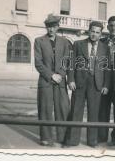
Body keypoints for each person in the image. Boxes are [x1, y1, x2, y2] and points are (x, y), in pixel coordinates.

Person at [64, 21, 110, 147]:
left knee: (94, 113)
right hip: (79, 82)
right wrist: (71, 80)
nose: (94, 34)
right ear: (89, 31)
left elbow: (107, 68)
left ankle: (92, 140)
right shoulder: (78, 44)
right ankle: (73, 140)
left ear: (101, 34)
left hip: (96, 83)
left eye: (97, 32)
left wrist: (106, 85)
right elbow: (71, 63)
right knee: (76, 111)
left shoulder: (105, 48)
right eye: (92, 31)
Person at [34, 13, 71, 147]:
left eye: (53, 26)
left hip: (60, 80)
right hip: (45, 81)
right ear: (46, 27)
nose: (51, 29)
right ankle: (46, 137)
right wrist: (51, 75)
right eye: (48, 26)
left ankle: (62, 137)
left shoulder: (64, 41)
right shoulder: (39, 41)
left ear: (57, 27)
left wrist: (60, 74)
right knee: (45, 109)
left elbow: (67, 60)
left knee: (62, 108)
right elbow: (38, 63)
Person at [98, 16, 115, 146]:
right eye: (111, 25)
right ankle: (102, 137)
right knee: (103, 109)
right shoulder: (101, 41)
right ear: (107, 27)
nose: (113, 28)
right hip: (104, 78)